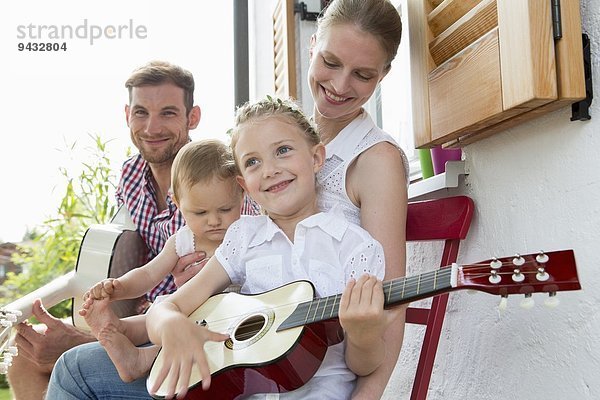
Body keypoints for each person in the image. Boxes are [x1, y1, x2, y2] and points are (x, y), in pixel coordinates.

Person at [146, 95, 399, 400]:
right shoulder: (243, 238)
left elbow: (363, 366)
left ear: (316, 158)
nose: (269, 170)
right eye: (253, 162)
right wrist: (170, 322)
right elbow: (164, 308)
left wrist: (363, 334)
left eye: (282, 150)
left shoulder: (354, 248)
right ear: (244, 184)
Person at [9, 61, 210, 400]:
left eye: (168, 113)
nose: (152, 127)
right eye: (141, 113)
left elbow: (218, 292)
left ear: (193, 118)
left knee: (69, 360)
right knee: (23, 358)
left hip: (185, 323)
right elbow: (131, 250)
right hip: (139, 315)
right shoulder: (131, 176)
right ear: (127, 114)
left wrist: (86, 338)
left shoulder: (210, 178)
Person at [308, 0, 409, 398]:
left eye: (363, 74)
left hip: (316, 376)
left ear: (383, 75)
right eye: (330, 61)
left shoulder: (375, 160)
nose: (340, 85)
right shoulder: (286, 142)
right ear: (313, 43)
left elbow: (392, 304)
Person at [79, 139, 243, 383]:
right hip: (178, 310)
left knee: (190, 328)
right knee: (159, 312)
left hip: (222, 320)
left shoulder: (244, 237)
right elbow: (148, 274)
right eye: (200, 213)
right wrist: (119, 287)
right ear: (177, 203)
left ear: (242, 194)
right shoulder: (182, 241)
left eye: (225, 209)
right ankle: (118, 329)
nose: (214, 221)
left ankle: (140, 358)